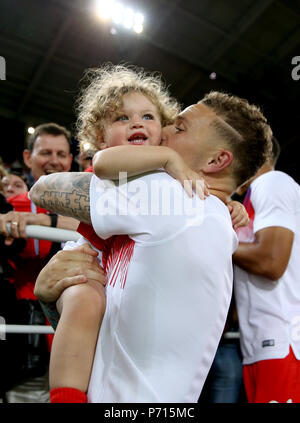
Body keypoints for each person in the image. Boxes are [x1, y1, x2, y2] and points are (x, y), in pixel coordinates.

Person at [31, 81, 272, 403]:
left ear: (216, 161)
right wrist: (51, 298)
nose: (165, 132)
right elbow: (102, 332)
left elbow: (42, 190)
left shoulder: (170, 195)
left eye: (180, 128)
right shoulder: (211, 218)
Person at [0, 123, 78, 403]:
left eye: (61, 153)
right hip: (26, 338)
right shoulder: (12, 205)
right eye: (45, 152)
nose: (54, 161)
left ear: (71, 160)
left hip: (81, 332)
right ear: (27, 157)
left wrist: (47, 221)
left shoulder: (92, 201)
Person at [233, 136, 300, 403]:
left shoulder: (272, 182)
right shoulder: (250, 196)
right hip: (261, 343)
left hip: (283, 342)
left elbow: (271, 261)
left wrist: (218, 241)